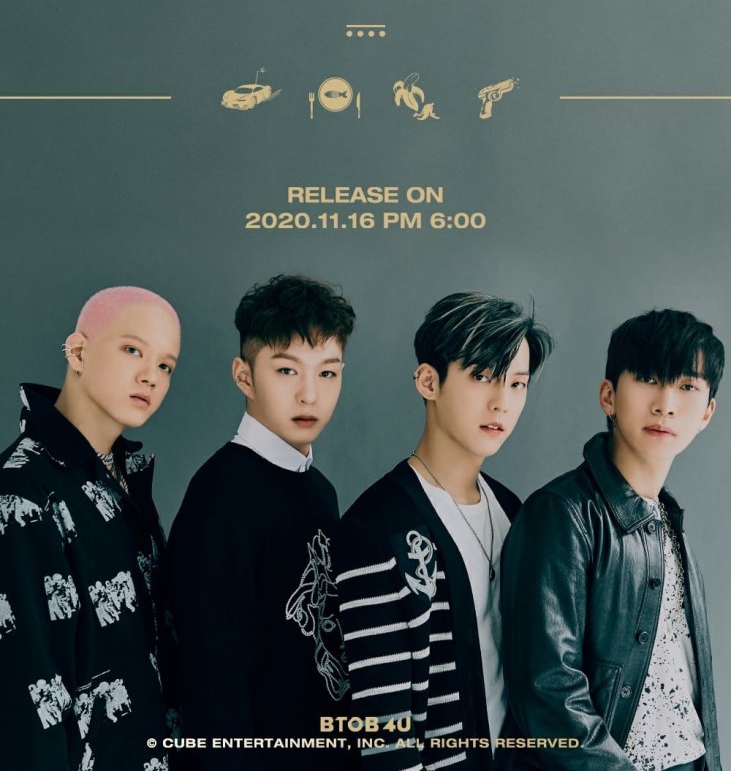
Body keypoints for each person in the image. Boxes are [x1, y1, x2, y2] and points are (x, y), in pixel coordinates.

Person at [332, 292, 553, 769]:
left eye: (517, 383)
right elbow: (384, 735)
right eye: (482, 377)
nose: (502, 402)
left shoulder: (514, 512)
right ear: (429, 382)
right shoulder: (376, 529)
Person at [501, 308, 724, 771]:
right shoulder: (562, 513)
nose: (665, 404)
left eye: (687, 386)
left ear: (707, 412)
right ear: (608, 396)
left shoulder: (668, 521)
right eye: (647, 378)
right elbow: (548, 689)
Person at [169, 274, 356, 769]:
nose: (310, 395)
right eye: (287, 370)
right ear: (244, 376)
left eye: (328, 373)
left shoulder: (320, 490)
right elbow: (212, 688)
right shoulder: (221, 496)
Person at [0, 286, 181, 771]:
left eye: (166, 365)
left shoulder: (124, 482)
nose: (151, 376)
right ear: (78, 352)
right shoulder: (22, 492)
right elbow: (25, 691)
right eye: (132, 350)